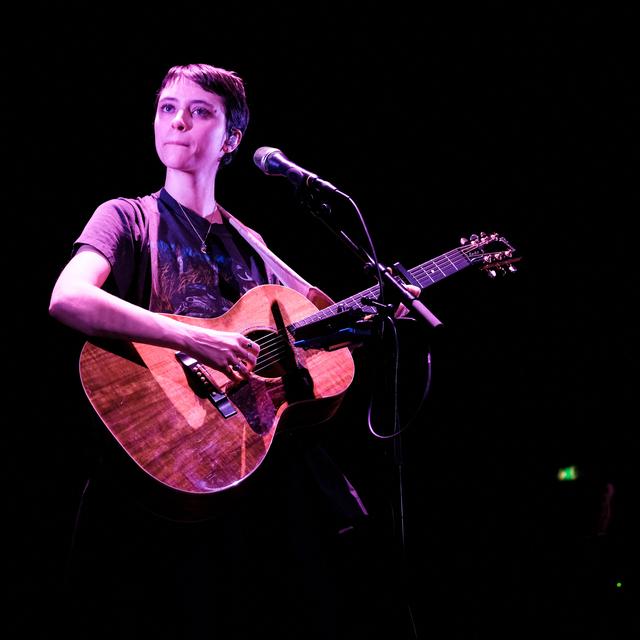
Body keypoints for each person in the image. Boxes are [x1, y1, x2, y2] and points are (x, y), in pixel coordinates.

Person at [49, 63, 418, 639]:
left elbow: (316, 322)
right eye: (168, 108)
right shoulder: (127, 218)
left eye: (200, 112)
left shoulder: (251, 242)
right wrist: (192, 336)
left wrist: (380, 307)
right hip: (166, 446)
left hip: (250, 461)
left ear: (232, 139)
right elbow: (68, 298)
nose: (178, 122)